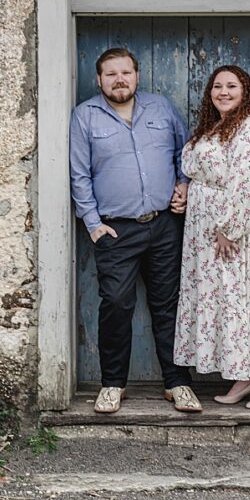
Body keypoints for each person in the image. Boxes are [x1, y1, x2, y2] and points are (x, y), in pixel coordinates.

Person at [69, 48, 201, 413]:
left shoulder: (159, 108)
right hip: (115, 231)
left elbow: (185, 152)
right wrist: (93, 225)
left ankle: (177, 383)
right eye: (111, 74)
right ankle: (113, 383)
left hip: (163, 226)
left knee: (168, 305)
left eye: (125, 72)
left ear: (137, 75)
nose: (119, 79)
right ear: (99, 80)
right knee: (116, 304)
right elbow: (79, 174)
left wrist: (184, 184)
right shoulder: (85, 116)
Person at [173, 65, 250, 409]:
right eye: (217, 86)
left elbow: (248, 183)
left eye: (231, 86)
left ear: (244, 90)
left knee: (242, 296)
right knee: (223, 298)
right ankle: (243, 374)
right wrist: (187, 190)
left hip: (233, 230)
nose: (223, 91)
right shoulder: (215, 127)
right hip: (203, 231)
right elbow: (205, 171)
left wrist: (229, 228)